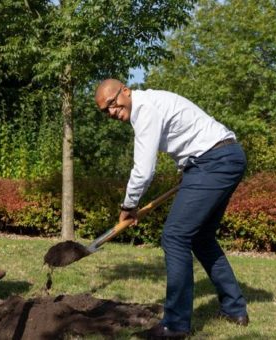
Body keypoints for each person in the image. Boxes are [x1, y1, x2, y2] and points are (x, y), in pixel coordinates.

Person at [94, 79, 249, 339]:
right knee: (201, 238)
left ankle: (175, 326)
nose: (111, 112)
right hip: (221, 158)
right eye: (105, 111)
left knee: (175, 236)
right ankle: (235, 309)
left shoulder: (144, 109)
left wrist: (128, 206)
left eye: (112, 104)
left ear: (126, 91)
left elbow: (143, 172)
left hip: (213, 161)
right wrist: (188, 170)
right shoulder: (150, 103)